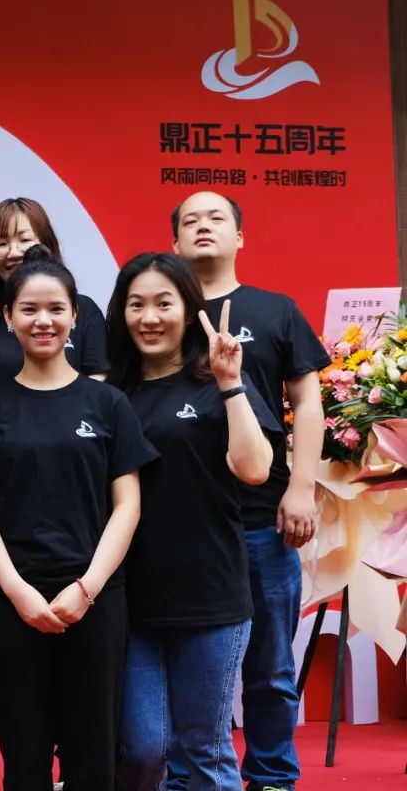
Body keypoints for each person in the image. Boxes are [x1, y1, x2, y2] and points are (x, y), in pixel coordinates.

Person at [0, 246, 156, 790]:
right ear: (8, 317)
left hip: (94, 599)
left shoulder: (108, 404)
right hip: (12, 601)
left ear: (75, 316)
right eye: (28, 309)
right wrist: (16, 591)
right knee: (22, 754)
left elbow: (128, 505)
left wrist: (87, 588)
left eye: (55, 309)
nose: (42, 321)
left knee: (93, 754)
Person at [170, 191, 329, 791]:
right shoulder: (160, 314)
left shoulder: (275, 310)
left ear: (240, 237)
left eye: (216, 218)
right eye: (190, 220)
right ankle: (185, 776)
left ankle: (271, 776)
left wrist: (302, 488)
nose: (203, 227)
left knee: (270, 666)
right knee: (184, 663)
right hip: (185, 520)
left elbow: (307, 402)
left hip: (263, 517)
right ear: (174, 243)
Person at [106, 253, 278, 791]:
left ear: (188, 309)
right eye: (136, 304)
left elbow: (255, 469)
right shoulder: (109, 394)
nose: (149, 317)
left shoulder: (216, 383)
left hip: (211, 595)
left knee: (205, 748)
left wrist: (231, 383)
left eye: (164, 303)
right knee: (142, 749)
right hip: (129, 600)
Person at [0, 197, 108, 392]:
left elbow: (98, 376)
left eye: (25, 240)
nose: (13, 252)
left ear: (46, 244)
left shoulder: (83, 309)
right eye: (1, 243)